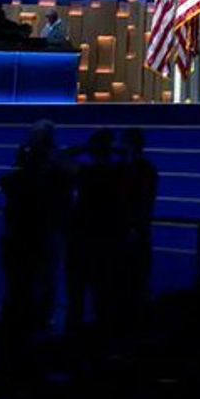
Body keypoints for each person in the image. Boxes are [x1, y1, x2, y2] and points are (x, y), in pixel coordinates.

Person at [0, 121, 70, 347]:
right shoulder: (57, 165)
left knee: (28, 279)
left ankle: (28, 321)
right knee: (41, 278)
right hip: (43, 229)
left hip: (31, 231)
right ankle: (39, 320)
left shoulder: (28, 167)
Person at [65, 128, 123, 332]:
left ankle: (73, 339)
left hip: (82, 240)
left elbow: (62, 158)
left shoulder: (87, 173)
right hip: (108, 240)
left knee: (76, 295)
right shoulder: (118, 174)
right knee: (104, 294)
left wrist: (83, 147)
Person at [120, 128, 159, 309]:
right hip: (139, 229)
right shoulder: (147, 169)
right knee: (138, 278)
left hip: (131, 230)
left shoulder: (124, 169)